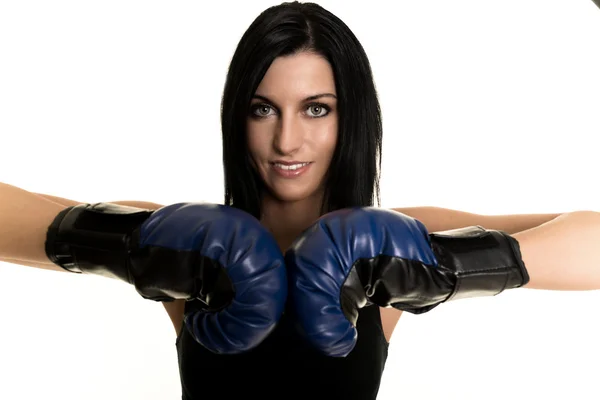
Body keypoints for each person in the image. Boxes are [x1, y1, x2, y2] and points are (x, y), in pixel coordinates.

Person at [1, 1, 600, 399]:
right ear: (238, 116)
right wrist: (129, 245)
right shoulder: (189, 244)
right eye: (264, 108)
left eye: (318, 109)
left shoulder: (389, 247)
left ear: (351, 118)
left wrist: (445, 267)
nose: (288, 140)